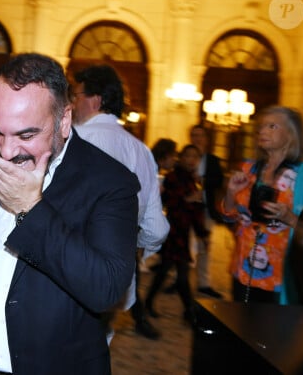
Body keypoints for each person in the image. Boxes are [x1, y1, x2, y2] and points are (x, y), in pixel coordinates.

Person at [0, 53, 140, 375]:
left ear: (64, 121)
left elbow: (104, 289)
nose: (7, 151)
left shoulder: (110, 182)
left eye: (26, 135)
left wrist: (30, 208)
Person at [71, 64, 169, 341]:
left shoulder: (73, 141)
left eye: (75, 94)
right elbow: (157, 228)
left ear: (95, 99)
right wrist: (134, 245)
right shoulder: (141, 150)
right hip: (116, 277)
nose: (72, 102)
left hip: (68, 270)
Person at [220, 106, 303, 304]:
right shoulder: (248, 168)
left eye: (272, 126)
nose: (262, 131)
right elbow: (227, 217)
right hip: (242, 269)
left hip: (282, 279)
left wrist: (289, 218)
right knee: (242, 330)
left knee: (274, 334)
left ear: (291, 135)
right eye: (261, 127)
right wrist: (231, 192)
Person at [145, 144, 210, 327]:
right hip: (173, 231)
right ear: (181, 157)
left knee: (165, 271)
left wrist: (202, 234)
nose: (191, 160)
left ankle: (148, 302)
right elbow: (167, 202)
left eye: (195, 157)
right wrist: (186, 199)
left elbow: (196, 212)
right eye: (188, 155)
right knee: (181, 274)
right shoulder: (173, 177)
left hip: (183, 232)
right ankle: (190, 311)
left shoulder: (193, 181)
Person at [188, 124, 225, 299]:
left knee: (204, 247)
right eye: (194, 135)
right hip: (187, 209)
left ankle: (203, 283)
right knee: (185, 245)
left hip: (206, 208)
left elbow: (218, 181)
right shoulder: (186, 156)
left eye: (200, 135)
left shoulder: (212, 160)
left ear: (206, 138)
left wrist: (202, 179)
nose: (197, 138)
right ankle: (180, 281)